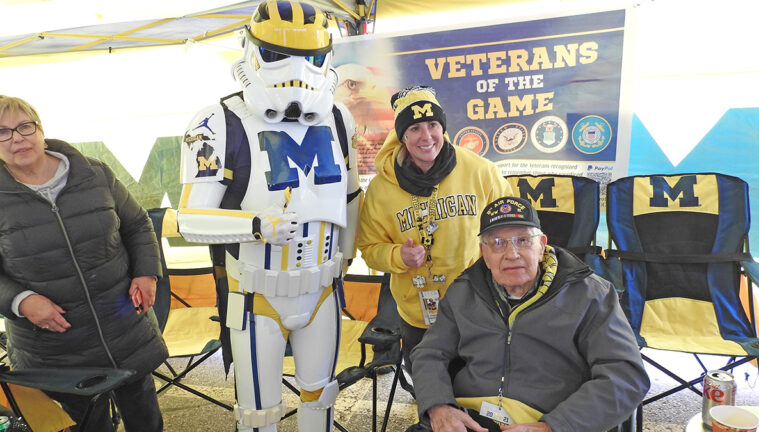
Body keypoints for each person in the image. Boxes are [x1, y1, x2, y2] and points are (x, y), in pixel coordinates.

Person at [175, 1, 360, 431]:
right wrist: (256, 226)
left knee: (321, 398)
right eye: (278, 55)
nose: (297, 70)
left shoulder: (338, 117)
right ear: (250, 50)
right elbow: (189, 219)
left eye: (312, 58)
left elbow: (350, 196)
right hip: (256, 295)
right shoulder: (216, 121)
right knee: (258, 413)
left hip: (322, 290)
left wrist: (346, 257)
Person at [0, 95, 168, 432]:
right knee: (87, 426)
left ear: (40, 129)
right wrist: (21, 301)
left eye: (24, 127)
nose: (16, 138)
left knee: (145, 421)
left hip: (125, 331)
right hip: (55, 349)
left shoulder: (93, 173)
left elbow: (137, 224)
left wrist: (147, 273)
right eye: (2, 132)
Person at [410, 196, 650, 432]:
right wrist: (439, 406)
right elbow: (430, 352)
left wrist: (553, 426)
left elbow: (625, 375)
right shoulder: (463, 290)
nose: (512, 253)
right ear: (483, 251)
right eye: (497, 243)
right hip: (468, 417)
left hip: (550, 418)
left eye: (523, 240)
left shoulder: (591, 295)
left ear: (542, 244)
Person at [356, 85, 512, 373]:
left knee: (477, 385)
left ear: (443, 128)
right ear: (401, 136)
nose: (426, 137)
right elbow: (368, 249)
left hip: (476, 307)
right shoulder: (380, 190)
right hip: (418, 313)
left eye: (433, 125)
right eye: (415, 128)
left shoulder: (481, 171)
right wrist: (397, 257)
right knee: (429, 388)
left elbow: (509, 227)